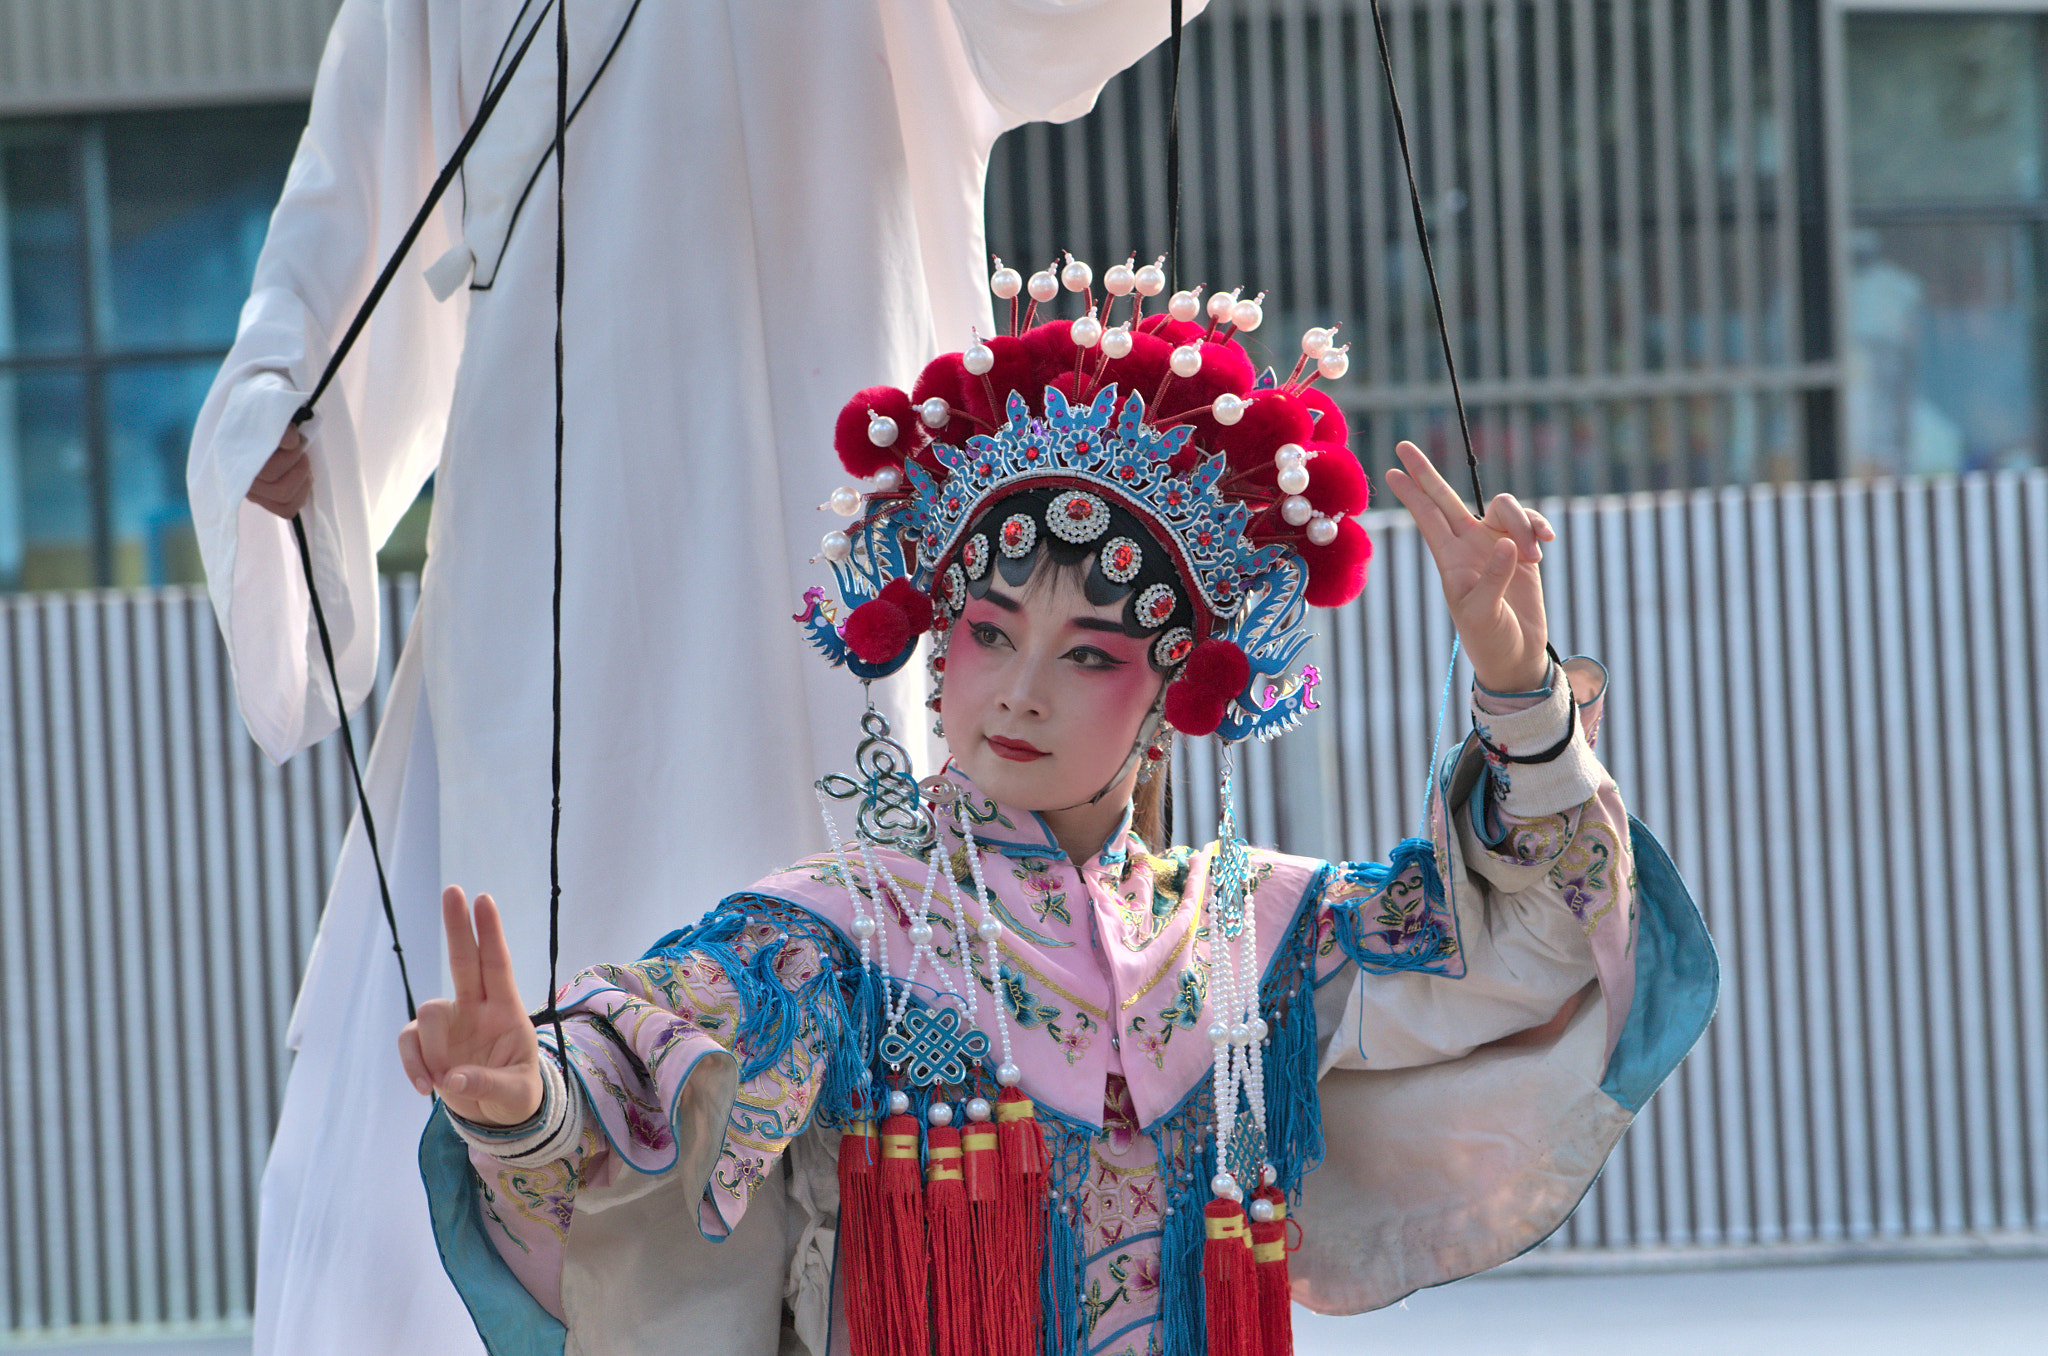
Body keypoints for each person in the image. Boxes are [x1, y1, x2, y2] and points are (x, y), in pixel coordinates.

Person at [396, 267, 1718, 1355]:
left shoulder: (1247, 931)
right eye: (987, 631)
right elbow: (631, 1123)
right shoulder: (828, 941)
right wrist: (519, 1104)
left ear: (1169, 701)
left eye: (1090, 652)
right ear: (938, 646)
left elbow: (1554, 951)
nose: (1020, 691)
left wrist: (1516, 691)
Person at [185, 4, 1202, 1352]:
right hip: (562, 583)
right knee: (537, 995)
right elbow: (339, 231)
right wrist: (277, 405)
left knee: (888, 1036)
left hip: (854, 559)